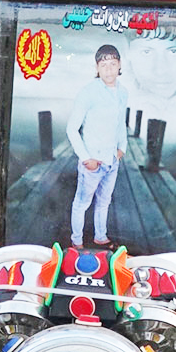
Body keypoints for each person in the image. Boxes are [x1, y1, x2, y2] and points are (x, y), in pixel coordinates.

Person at [66, 44, 129, 248]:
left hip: (112, 160)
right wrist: (86, 159)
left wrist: (122, 148)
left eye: (113, 64)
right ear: (97, 68)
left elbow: (121, 123)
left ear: (119, 65)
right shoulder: (88, 92)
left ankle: (100, 237)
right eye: (104, 65)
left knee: (104, 202)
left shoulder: (123, 92)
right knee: (82, 203)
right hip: (93, 161)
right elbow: (71, 129)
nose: (109, 69)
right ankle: (76, 242)